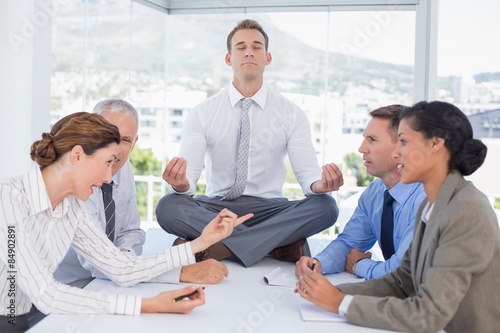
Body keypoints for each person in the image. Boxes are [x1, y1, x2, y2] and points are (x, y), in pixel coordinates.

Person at [0, 112, 252, 333]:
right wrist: (148, 305)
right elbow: (47, 295)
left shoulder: (72, 208)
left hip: (19, 317)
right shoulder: (8, 201)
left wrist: (201, 242)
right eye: (107, 162)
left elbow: (120, 267)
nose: (109, 177)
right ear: (77, 155)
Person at [296, 101, 500, 333]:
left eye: (403, 142)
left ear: (435, 145)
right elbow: (402, 281)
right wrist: (333, 293)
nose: (396, 152)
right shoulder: (431, 205)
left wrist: (340, 303)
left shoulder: (465, 210)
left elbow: (427, 315)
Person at [155, 19, 343, 268]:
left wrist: (321, 185)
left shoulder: (291, 113)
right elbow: (187, 183)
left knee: (326, 206)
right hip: (216, 207)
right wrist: (180, 185)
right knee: (169, 206)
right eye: (240, 47)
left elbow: (308, 179)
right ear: (228, 58)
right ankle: (278, 245)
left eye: (256, 46)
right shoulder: (202, 113)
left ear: (268, 57)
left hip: (271, 210)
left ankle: (218, 247)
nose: (249, 52)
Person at [54, 99, 231, 289]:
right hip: (58, 297)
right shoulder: (74, 184)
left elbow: (131, 232)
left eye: (125, 140)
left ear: (134, 143)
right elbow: (108, 267)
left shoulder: (124, 168)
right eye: (108, 135)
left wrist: (127, 259)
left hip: (103, 286)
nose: (115, 149)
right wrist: (184, 269)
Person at [296, 105, 426, 280]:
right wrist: (318, 263)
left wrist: (360, 265)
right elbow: (349, 243)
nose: (362, 148)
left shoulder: (427, 200)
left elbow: (404, 271)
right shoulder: (375, 192)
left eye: (372, 140)